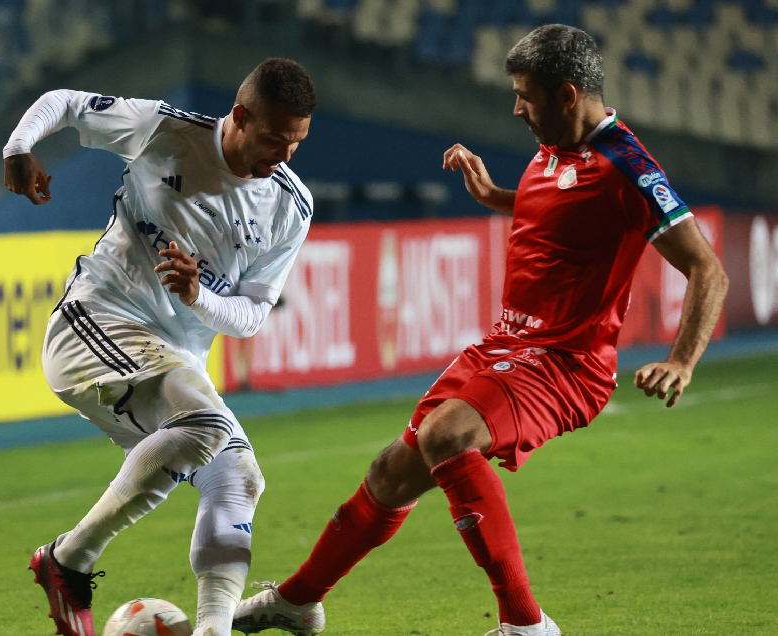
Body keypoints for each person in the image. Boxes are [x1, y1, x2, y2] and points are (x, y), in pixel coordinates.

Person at [232, 25, 728, 636]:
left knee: (447, 435)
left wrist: (681, 360)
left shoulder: (628, 167)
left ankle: (526, 626)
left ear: (567, 94)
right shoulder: (555, 144)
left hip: (564, 363)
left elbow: (708, 269)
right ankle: (299, 601)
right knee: (391, 473)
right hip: (504, 347)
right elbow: (562, 209)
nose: (516, 107)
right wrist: (496, 195)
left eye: (525, 95)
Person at [2, 58, 317, 636]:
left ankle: (212, 629)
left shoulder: (290, 205)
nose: (285, 155)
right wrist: (19, 144)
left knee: (239, 475)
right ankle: (68, 560)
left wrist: (198, 298)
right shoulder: (165, 131)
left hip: (172, 357)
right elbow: (68, 102)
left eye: (297, 142)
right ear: (240, 116)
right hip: (95, 321)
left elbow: (248, 317)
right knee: (206, 428)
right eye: (275, 138)